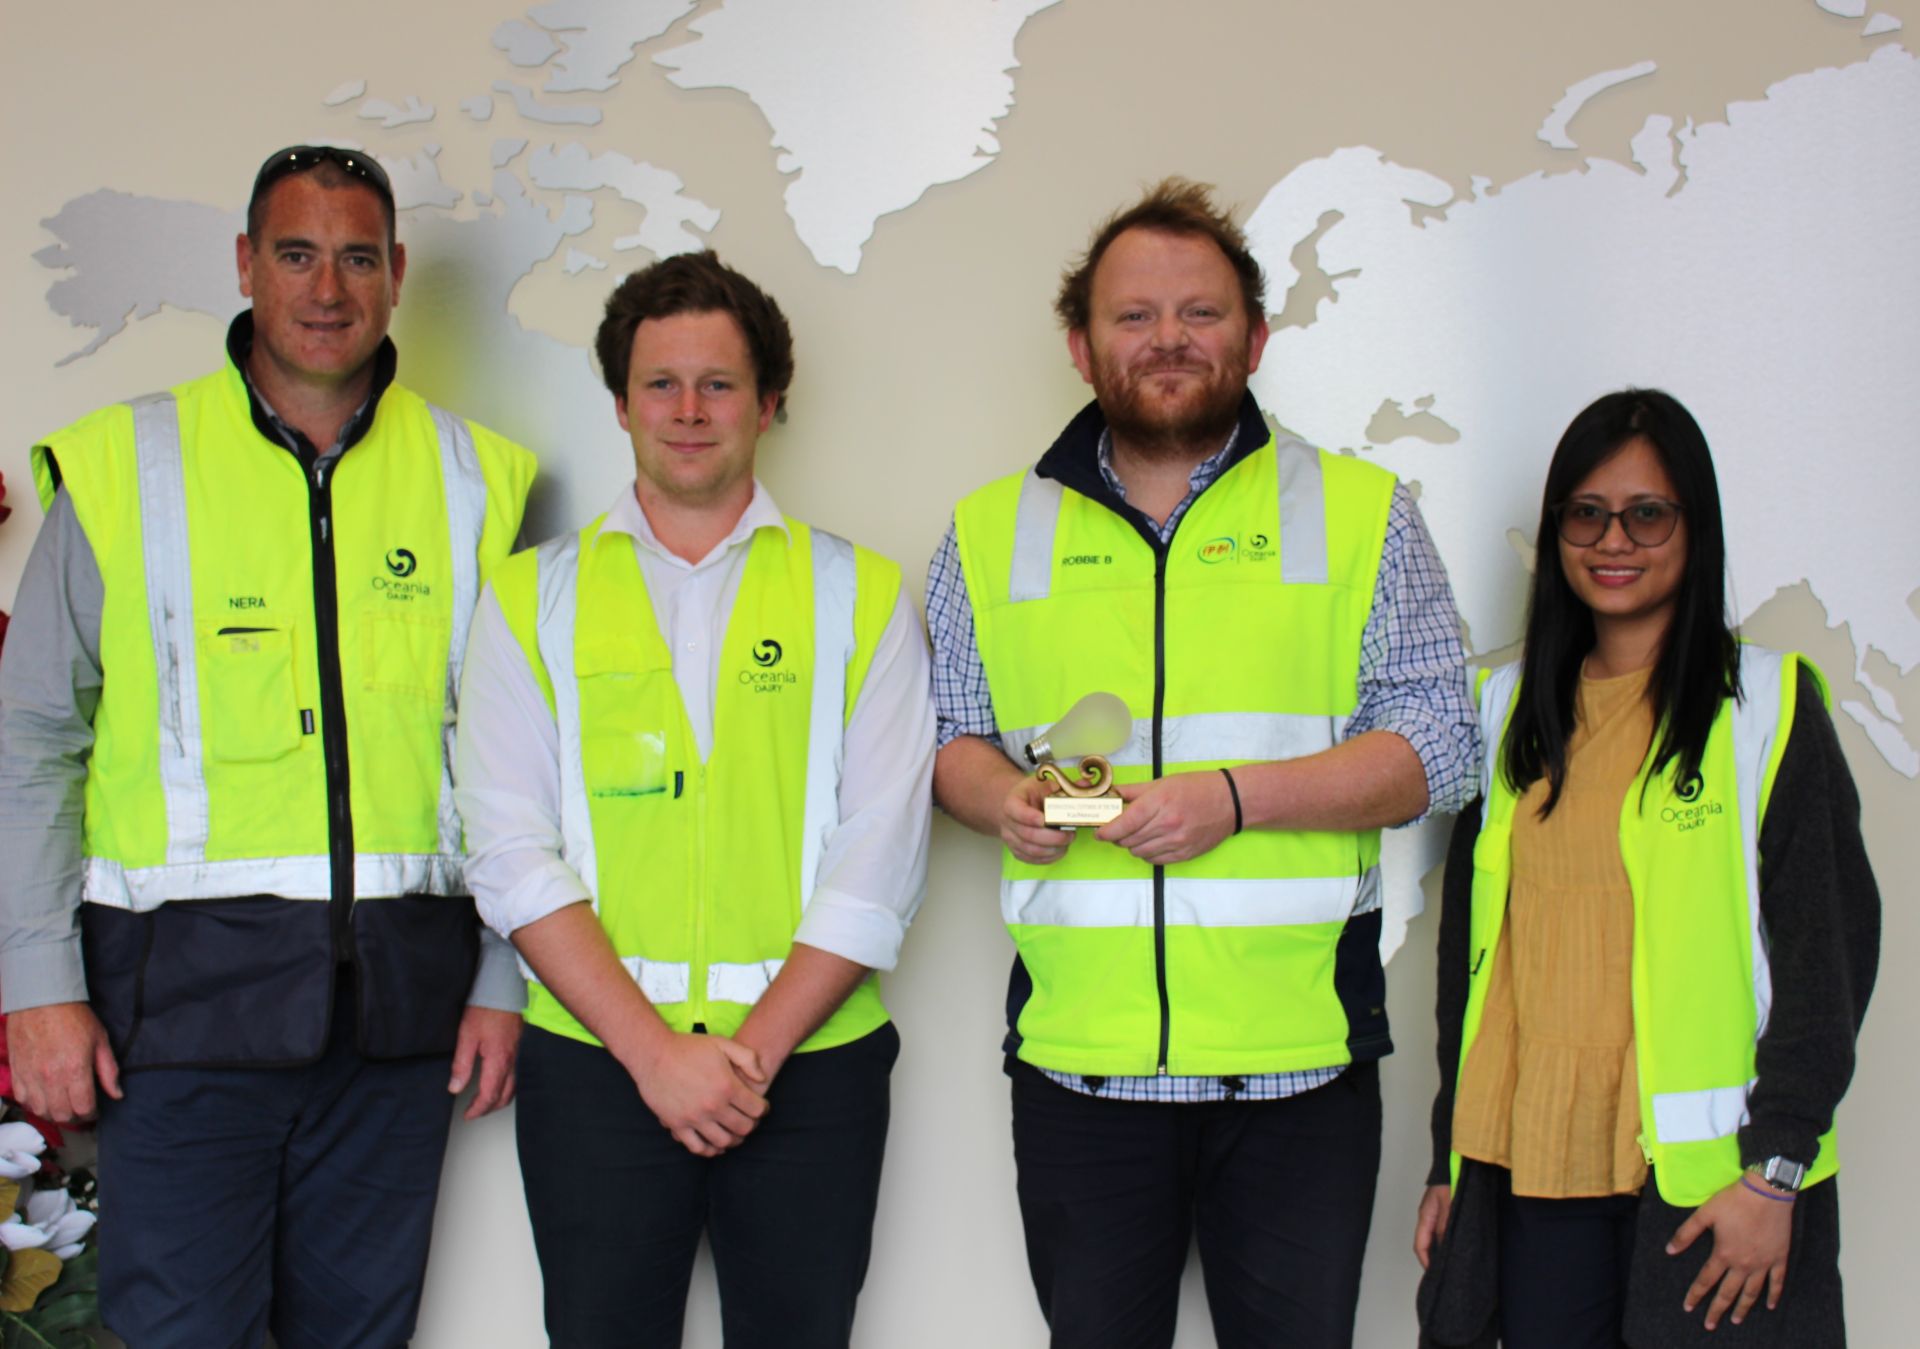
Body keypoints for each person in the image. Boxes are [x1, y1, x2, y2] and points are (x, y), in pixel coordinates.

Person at [927, 178, 1479, 1348]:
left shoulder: (1365, 513)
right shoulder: (988, 531)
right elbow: (948, 739)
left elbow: (1443, 742)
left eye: (1201, 312)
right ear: (1081, 346)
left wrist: (1237, 800)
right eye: (1134, 315)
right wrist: (1004, 798)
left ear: (1257, 337)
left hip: (1301, 1072)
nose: (1168, 338)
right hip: (1080, 1069)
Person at [0, 146, 536, 1346]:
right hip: (174, 1017)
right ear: (246, 265)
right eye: (296, 254)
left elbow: (513, 762)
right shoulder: (126, 464)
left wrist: (503, 978)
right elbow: (30, 739)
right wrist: (38, 986)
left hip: (400, 1022)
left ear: (397, 273)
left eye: (357, 258)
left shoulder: (478, 480)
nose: (327, 289)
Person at [454, 250, 934, 1348]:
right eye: (660, 383)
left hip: (810, 1066)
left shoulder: (858, 593)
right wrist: (654, 1055)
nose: (687, 410)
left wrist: (744, 1059)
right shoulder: (528, 598)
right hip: (597, 1063)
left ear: (769, 402)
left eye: (718, 383)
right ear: (620, 403)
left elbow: (882, 856)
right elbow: (509, 850)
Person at [1413, 389, 1879, 1348]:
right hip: (1537, 1169)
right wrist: (1446, 1163)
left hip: (1710, 1188)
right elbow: (1475, 966)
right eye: (1586, 513)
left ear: (1694, 526)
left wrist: (1776, 1173)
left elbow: (1828, 958)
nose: (1612, 539)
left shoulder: (1765, 707)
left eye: (1647, 513)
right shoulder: (1503, 713)